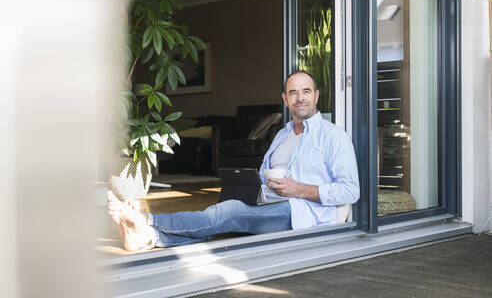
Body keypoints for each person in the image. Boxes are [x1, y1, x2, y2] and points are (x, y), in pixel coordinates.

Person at [108, 71, 360, 251]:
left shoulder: (334, 137)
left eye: (306, 91)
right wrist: (248, 184)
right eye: (293, 93)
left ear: (316, 96)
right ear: (285, 99)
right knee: (225, 215)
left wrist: (299, 189)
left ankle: (146, 221)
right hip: (269, 199)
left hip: (303, 212)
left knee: (230, 213)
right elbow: (265, 174)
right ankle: (148, 238)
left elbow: (350, 190)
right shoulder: (282, 134)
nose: (300, 98)